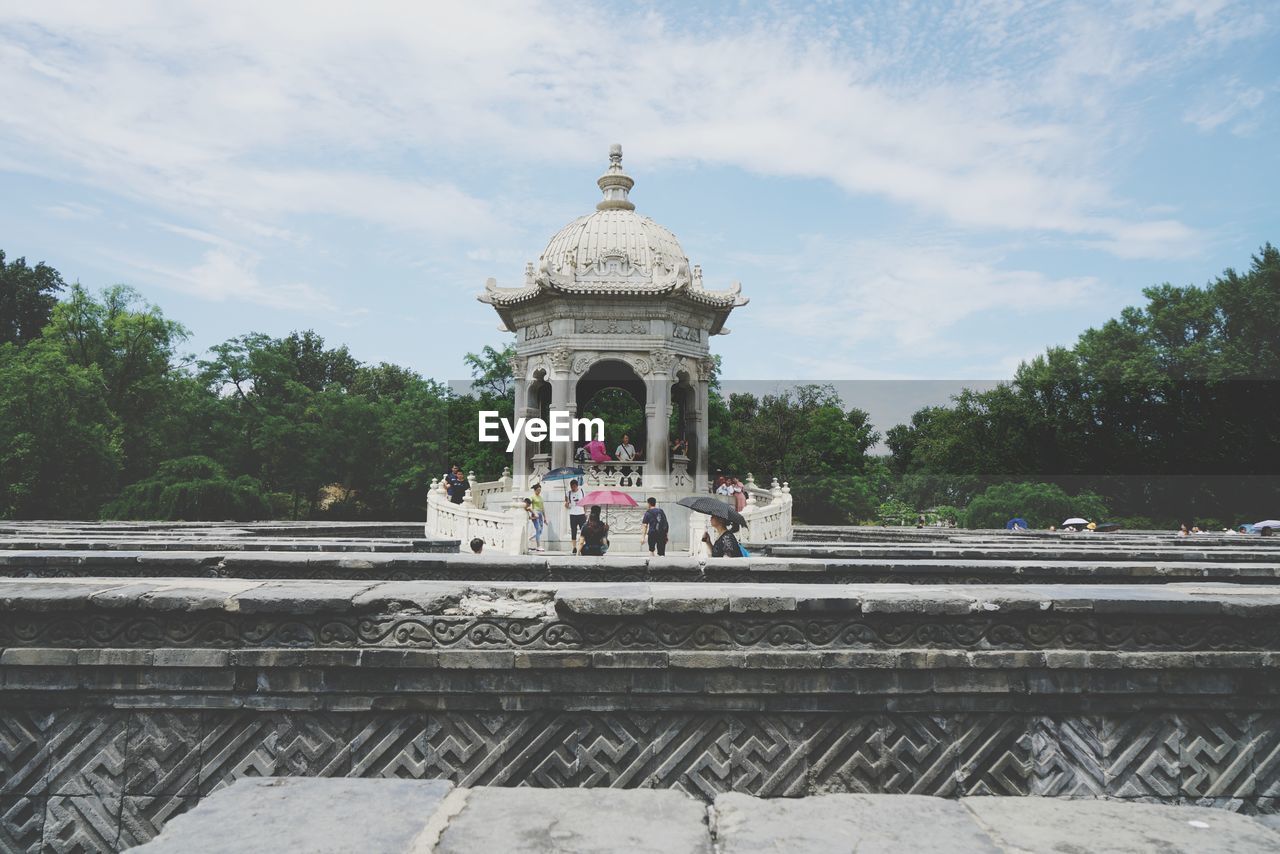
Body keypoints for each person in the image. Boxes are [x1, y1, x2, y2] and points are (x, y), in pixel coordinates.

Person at [564, 478, 586, 554]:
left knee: (583, 531)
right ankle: (574, 547)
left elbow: (585, 503)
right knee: (573, 531)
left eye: (574, 486)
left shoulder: (582, 491)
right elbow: (567, 505)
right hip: (573, 514)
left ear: (577, 486)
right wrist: (566, 504)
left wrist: (585, 512)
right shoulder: (568, 493)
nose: (572, 488)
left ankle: (582, 547)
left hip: (581, 513)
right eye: (571, 486)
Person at [526, 484, 545, 552]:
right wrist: (532, 512)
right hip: (535, 513)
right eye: (538, 490)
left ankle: (529, 538)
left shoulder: (540, 497)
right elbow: (528, 504)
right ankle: (538, 546)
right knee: (538, 529)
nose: (539, 491)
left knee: (540, 531)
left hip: (540, 515)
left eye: (540, 490)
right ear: (535, 490)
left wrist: (545, 518)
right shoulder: (532, 497)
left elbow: (543, 508)